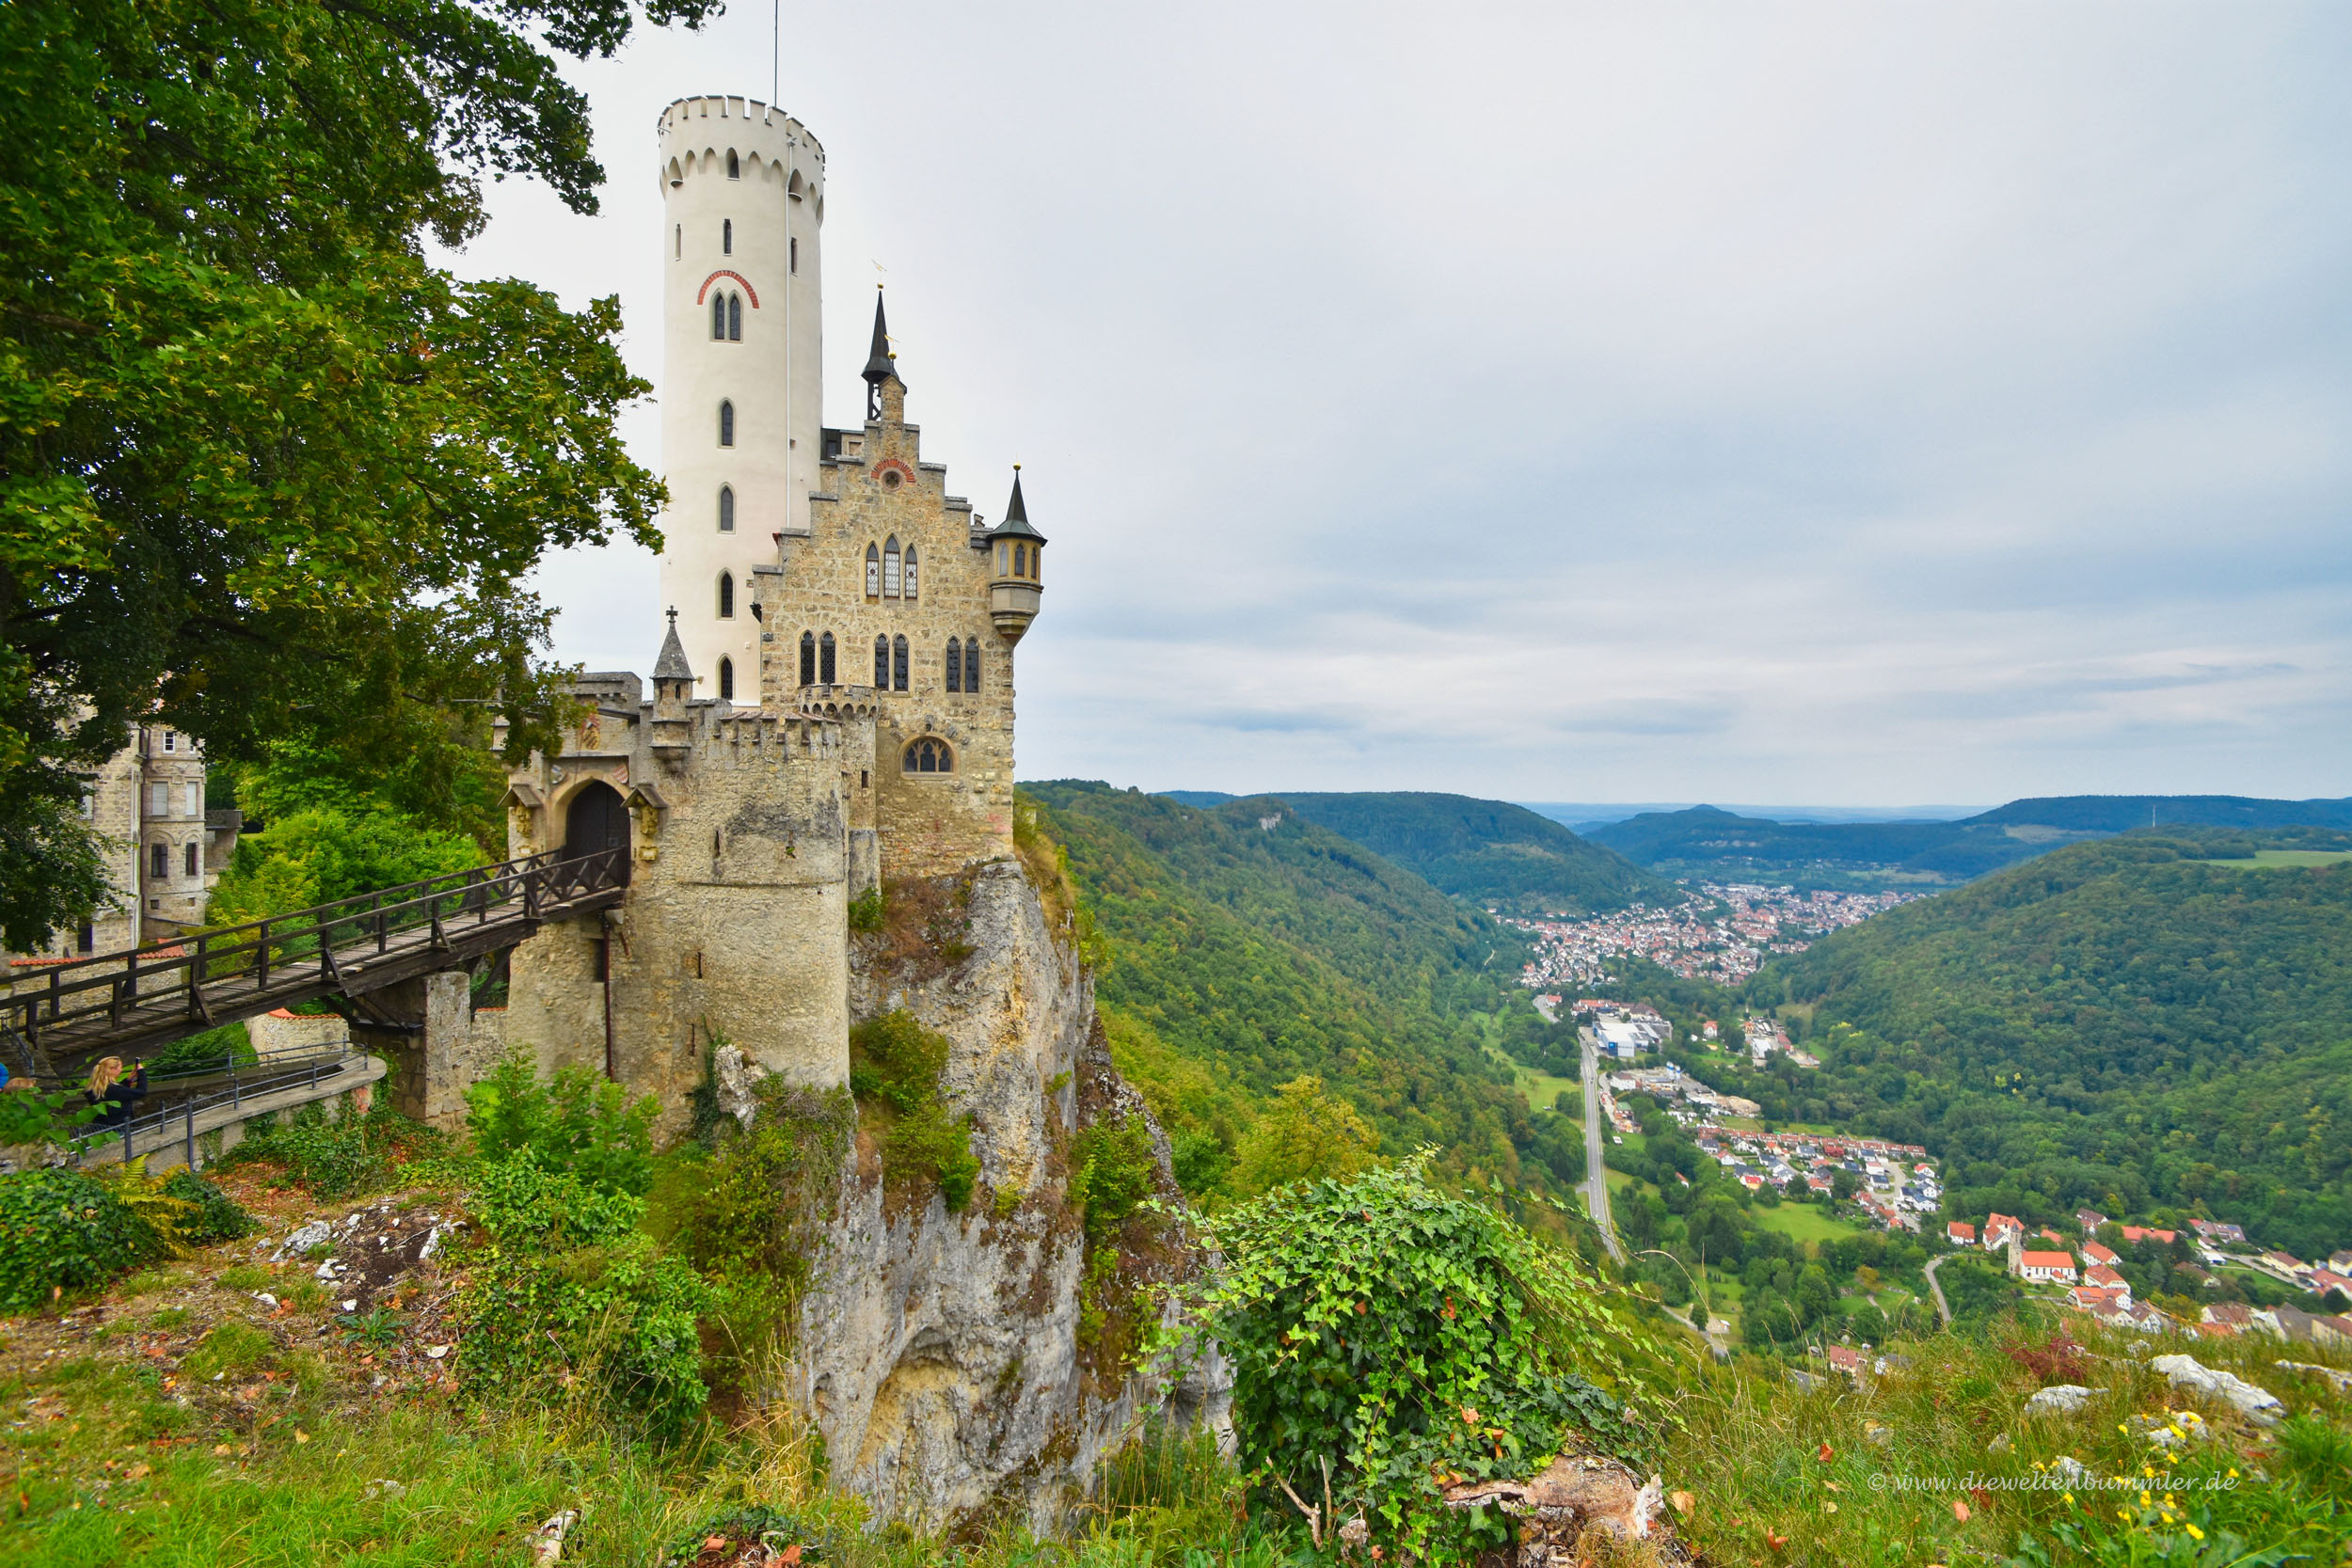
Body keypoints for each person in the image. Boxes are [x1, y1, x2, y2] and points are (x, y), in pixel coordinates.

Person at [83, 1056, 148, 1129]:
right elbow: (141, 1092)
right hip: (119, 1128)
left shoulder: (92, 1089)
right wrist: (142, 1073)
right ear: (113, 1069)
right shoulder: (115, 1090)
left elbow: (115, 1093)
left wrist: (128, 1080)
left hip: (100, 1127)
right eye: (120, 1067)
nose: (121, 1070)